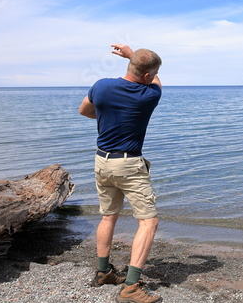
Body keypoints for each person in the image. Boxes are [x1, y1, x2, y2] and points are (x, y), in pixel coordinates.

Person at [79, 44, 163, 303]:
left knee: (108, 217)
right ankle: (131, 287)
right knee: (149, 222)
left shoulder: (101, 85)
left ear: (129, 66)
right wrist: (134, 56)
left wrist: (110, 113)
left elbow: (84, 110)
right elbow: (158, 83)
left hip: (101, 161)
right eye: (153, 73)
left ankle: (103, 272)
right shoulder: (148, 94)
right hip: (128, 165)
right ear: (147, 76)